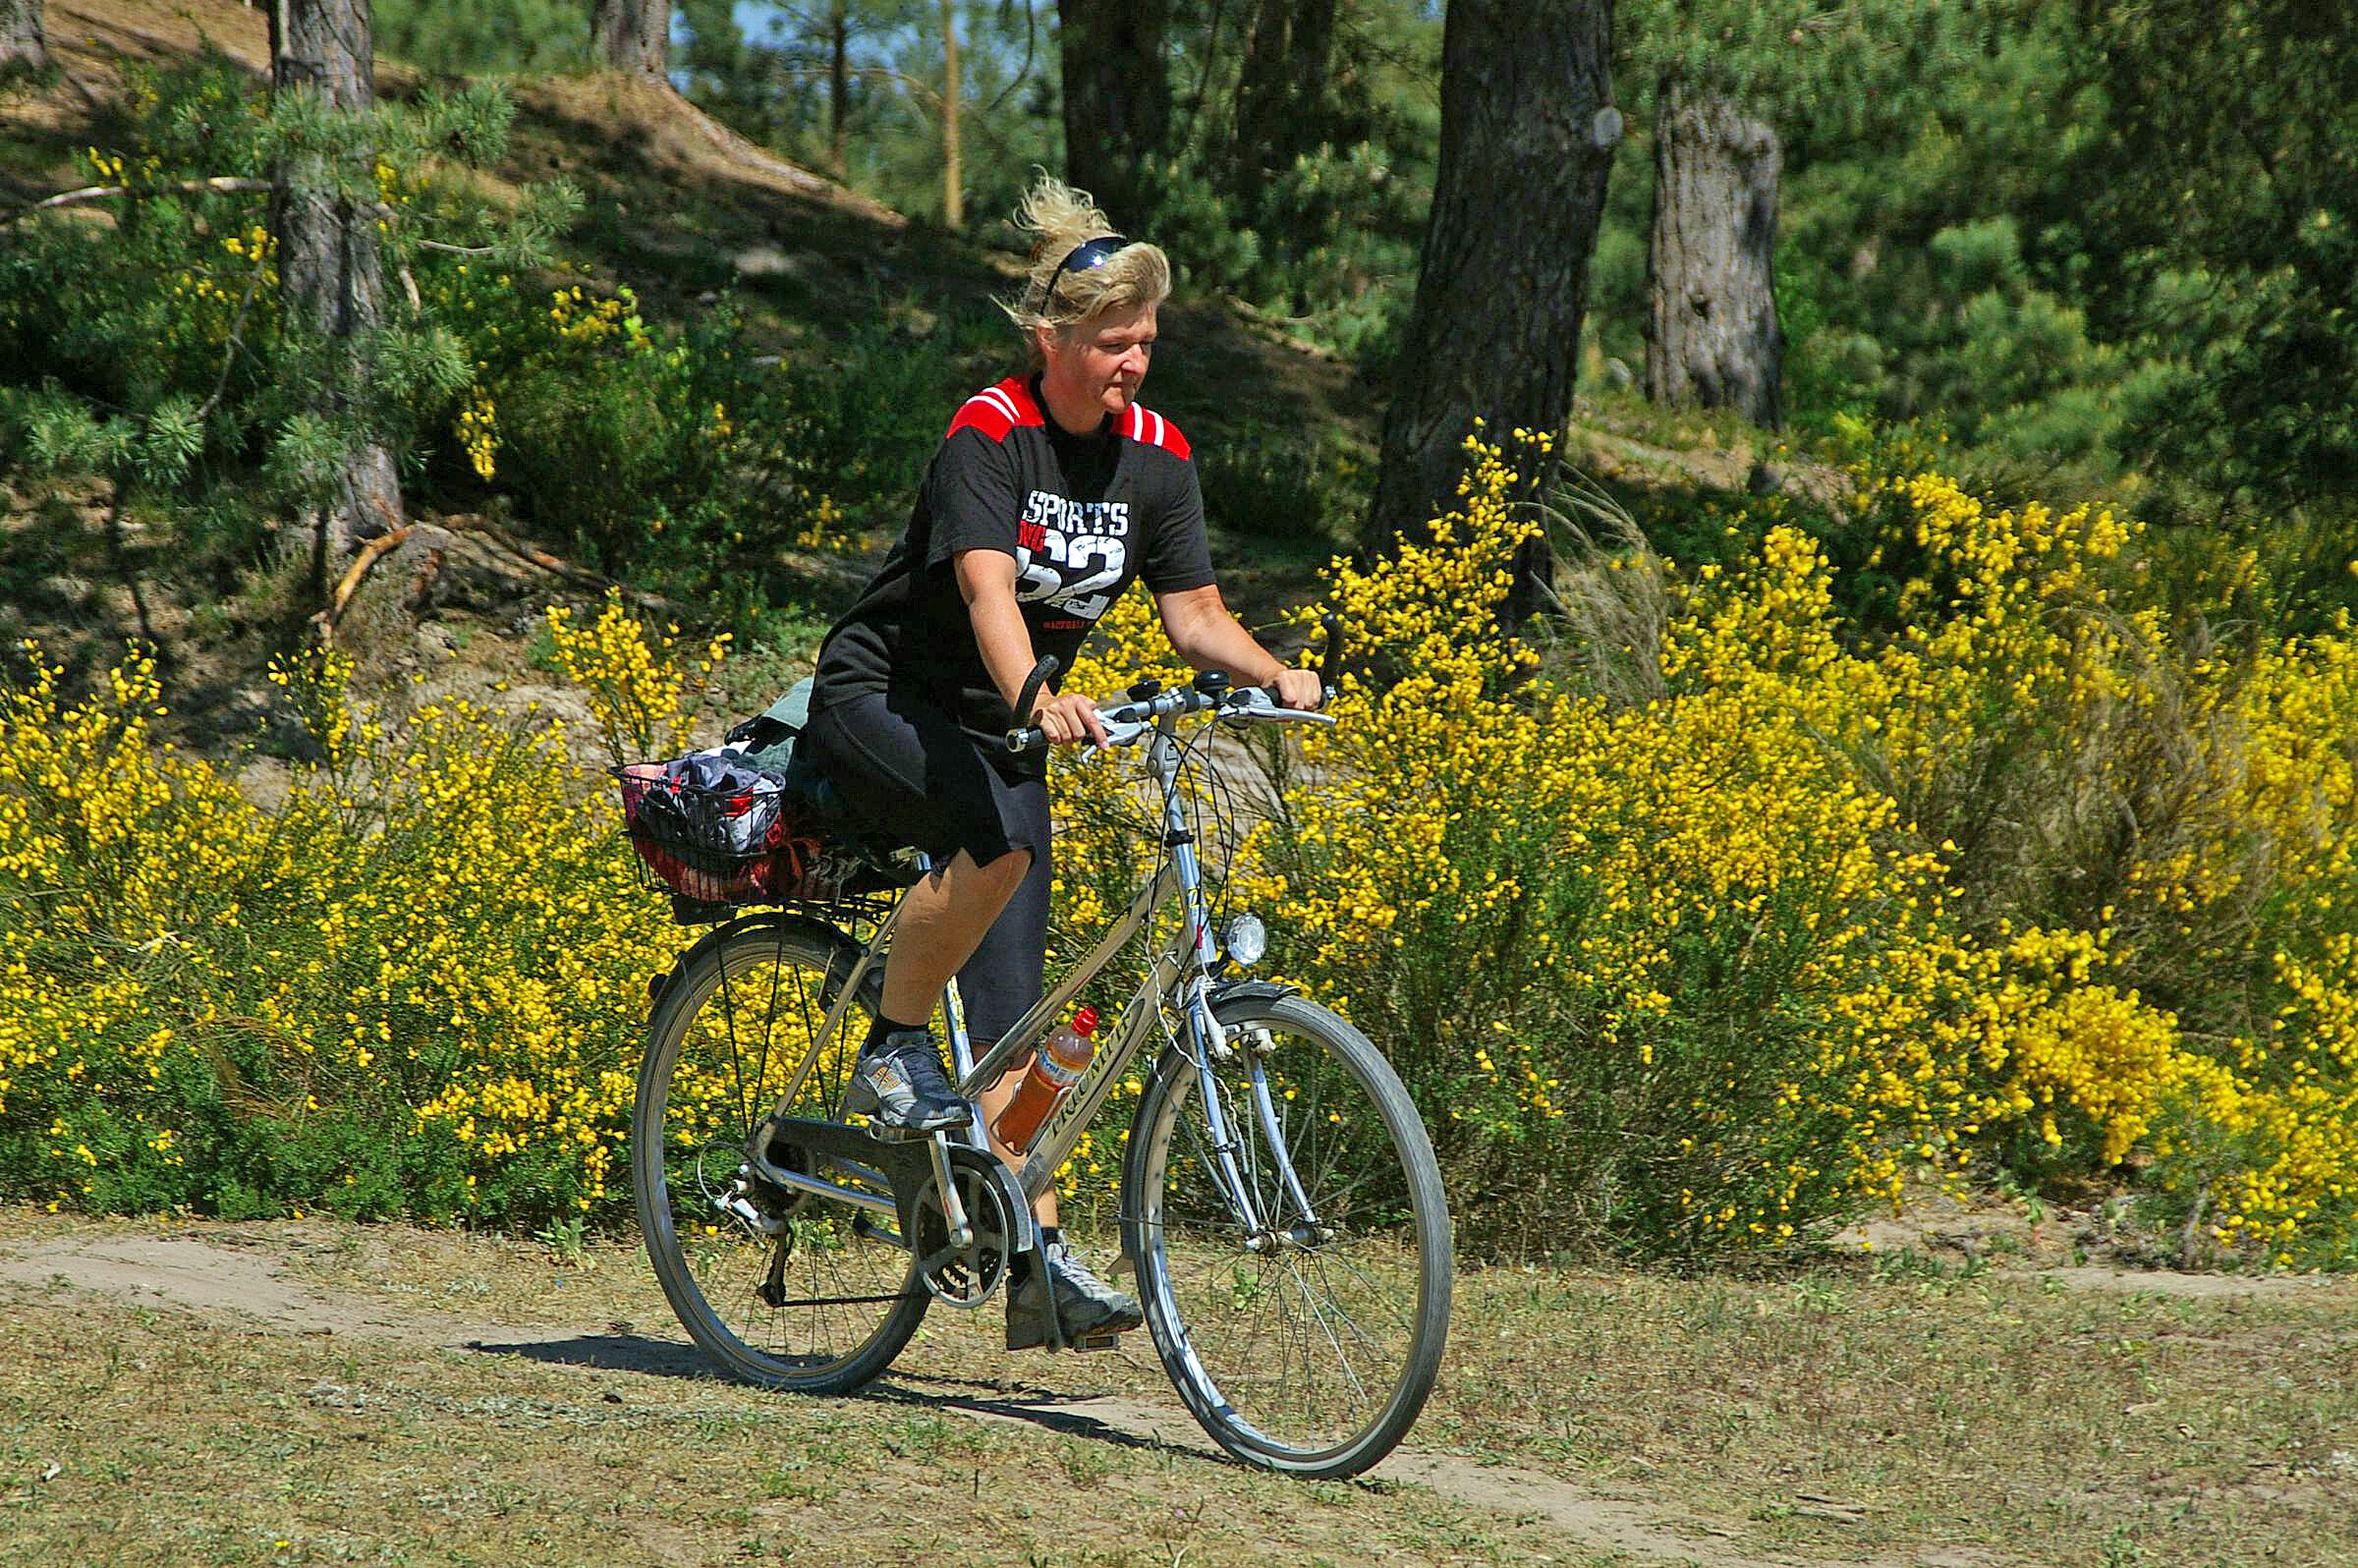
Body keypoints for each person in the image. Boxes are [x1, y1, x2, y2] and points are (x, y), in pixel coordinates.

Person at [799, 176, 1324, 1346]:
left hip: (1007, 725)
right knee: (1004, 841)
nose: (1132, 362)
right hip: (889, 694)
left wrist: (1270, 671)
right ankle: (889, 1049)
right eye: (1109, 342)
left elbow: (1194, 614)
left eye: (1144, 342)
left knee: (1021, 1028)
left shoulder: (1156, 457)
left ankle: (1032, 1262)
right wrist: (1039, 689)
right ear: (1052, 338)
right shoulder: (991, 432)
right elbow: (988, 587)